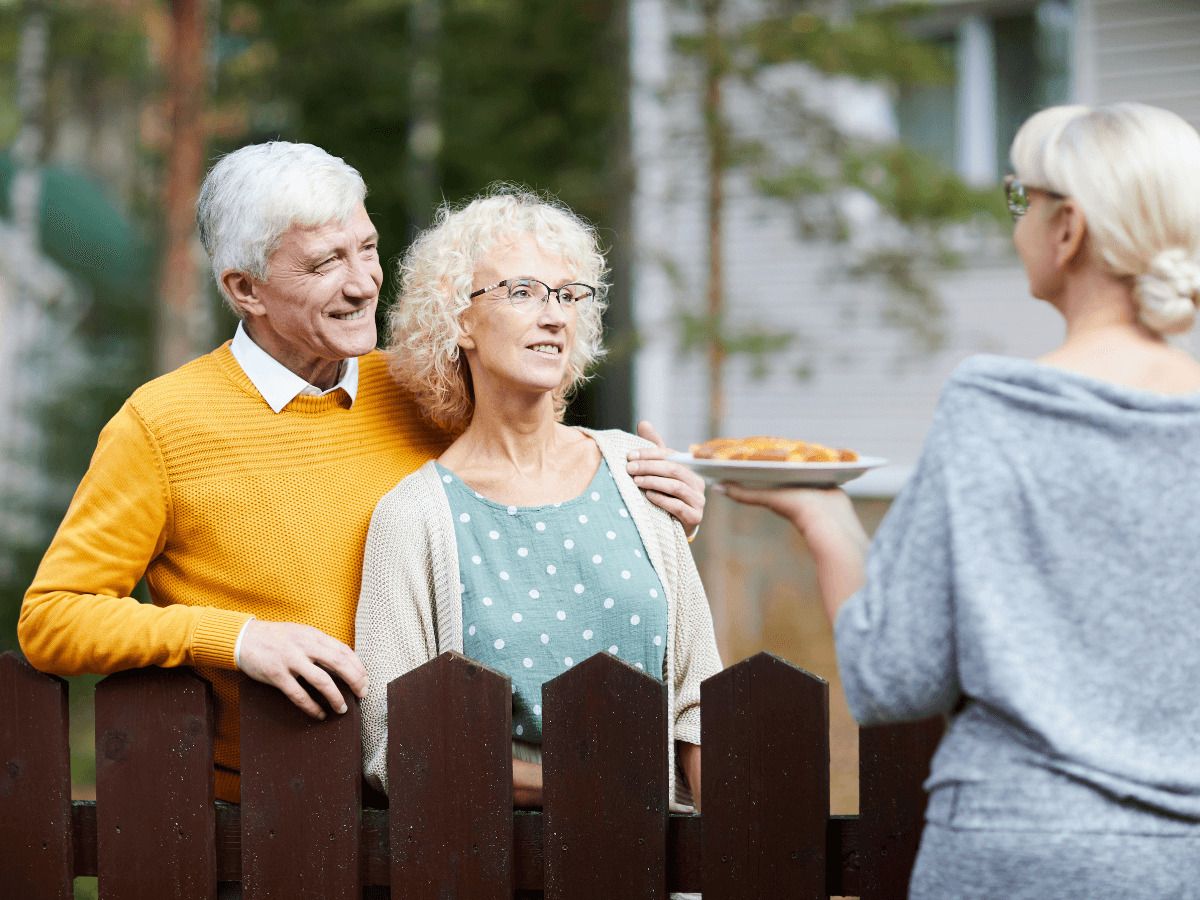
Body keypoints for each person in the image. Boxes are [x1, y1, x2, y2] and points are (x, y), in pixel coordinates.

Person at [17, 142, 707, 804]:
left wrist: (648, 508)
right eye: (323, 266)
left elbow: (529, 504)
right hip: (274, 819)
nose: (362, 283)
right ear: (245, 289)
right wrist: (238, 638)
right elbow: (53, 618)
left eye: (367, 248)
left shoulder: (423, 387)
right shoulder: (163, 425)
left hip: (452, 802)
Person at [723, 103, 1200, 899]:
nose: (1016, 222)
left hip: (1009, 853)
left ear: (1069, 228)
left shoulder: (995, 406)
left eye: (1023, 199)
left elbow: (890, 677)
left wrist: (825, 516)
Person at [356, 187, 722, 809]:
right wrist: (584, 793)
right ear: (458, 320)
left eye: (568, 294)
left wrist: (735, 848)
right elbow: (398, 748)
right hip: (494, 867)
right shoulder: (414, 517)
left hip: (658, 864)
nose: (554, 314)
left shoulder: (635, 474)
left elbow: (697, 699)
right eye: (522, 292)